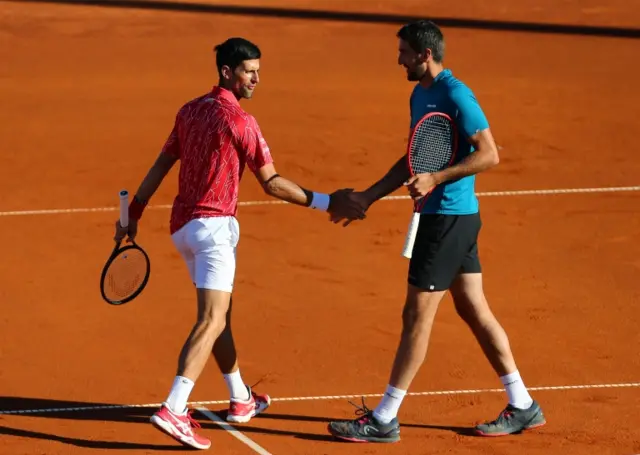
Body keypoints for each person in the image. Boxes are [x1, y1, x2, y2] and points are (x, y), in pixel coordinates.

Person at [113, 37, 365, 450]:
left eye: (259, 72)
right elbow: (272, 183)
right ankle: (174, 408)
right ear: (227, 72)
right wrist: (327, 202)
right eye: (250, 72)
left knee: (220, 315)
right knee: (211, 320)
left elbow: (161, 164)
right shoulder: (241, 122)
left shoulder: (189, 111)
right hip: (213, 230)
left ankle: (241, 399)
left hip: (184, 229)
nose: (256, 79)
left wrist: (133, 215)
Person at [326, 20, 545, 443]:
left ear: (425, 54)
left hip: (448, 218)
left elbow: (490, 154)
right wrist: (370, 195)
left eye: (405, 52)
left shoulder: (456, 94)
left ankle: (385, 418)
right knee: (474, 310)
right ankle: (523, 405)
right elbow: (414, 156)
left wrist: (437, 178)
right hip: (445, 218)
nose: (399, 59)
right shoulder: (420, 94)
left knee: (416, 316)